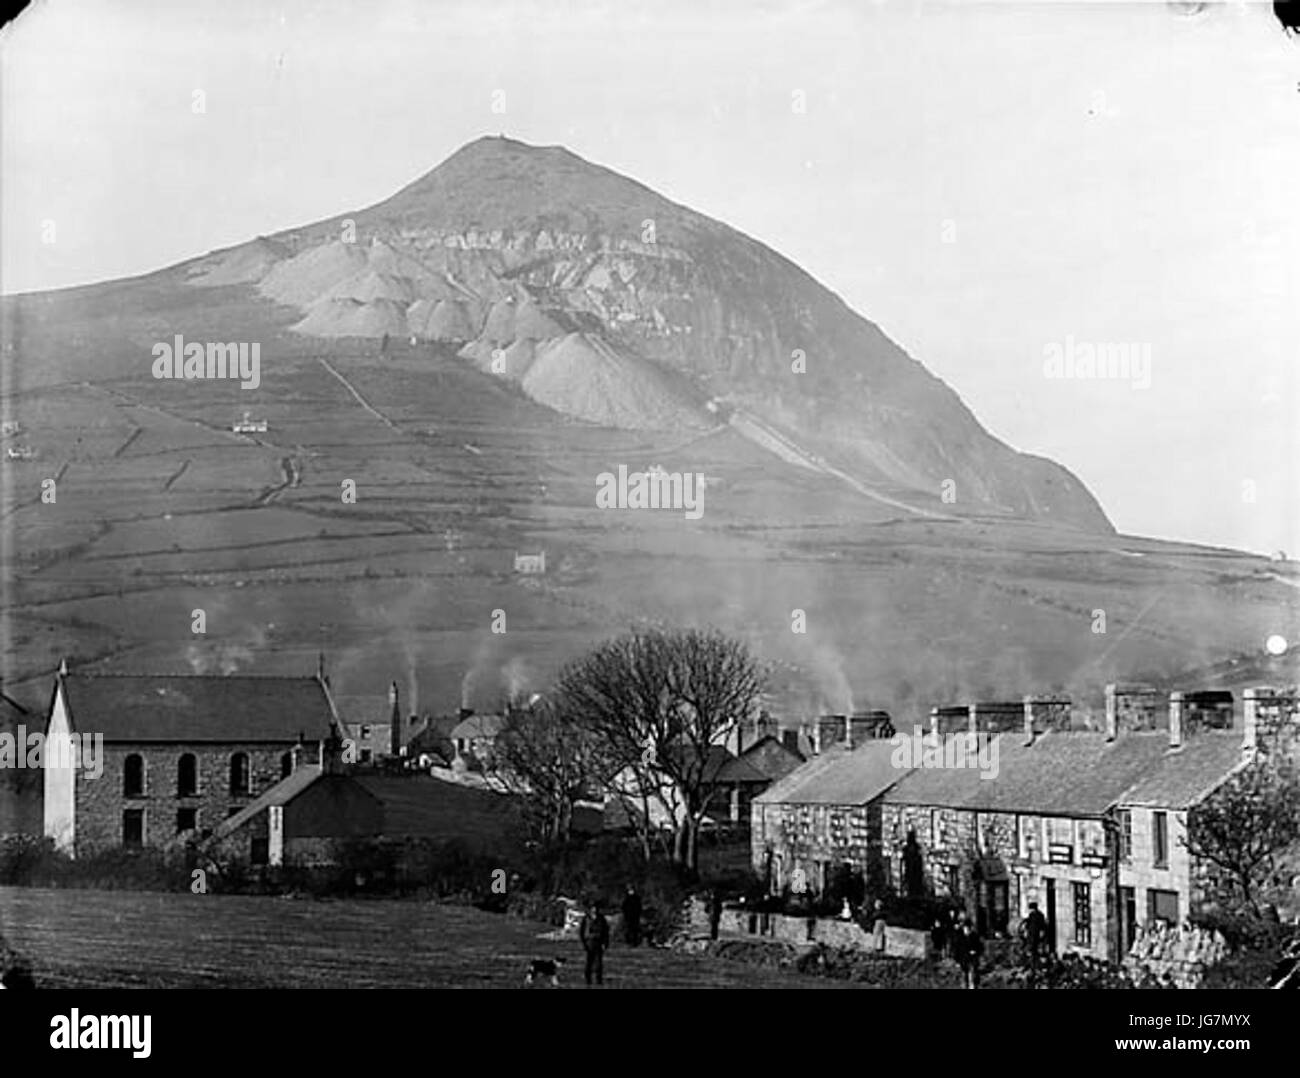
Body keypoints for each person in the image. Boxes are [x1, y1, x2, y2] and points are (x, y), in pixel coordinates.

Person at [579, 899, 610, 986]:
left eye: (596, 908)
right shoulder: (586, 918)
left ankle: (599, 981)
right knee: (589, 963)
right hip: (589, 942)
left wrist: (605, 943)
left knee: (599, 963)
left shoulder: (602, 919)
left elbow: (605, 931)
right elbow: (581, 931)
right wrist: (584, 943)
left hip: (599, 942)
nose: (594, 909)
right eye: (593, 908)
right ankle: (588, 980)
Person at [955, 914, 983, 989]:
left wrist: (975, 952)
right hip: (963, 960)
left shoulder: (974, 936)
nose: (967, 930)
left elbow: (980, 947)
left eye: (968, 928)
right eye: (965, 928)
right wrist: (957, 961)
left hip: (972, 959)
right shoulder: (960, 937)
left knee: (972, 977)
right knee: (964, 978)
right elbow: (957, 949)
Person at [1021, 901, 1047, 974]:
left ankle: (1035, 967)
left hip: (1036, 935)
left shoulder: (1039, 915)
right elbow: (1027, 924)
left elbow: (1042, 925)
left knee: (1034, 951)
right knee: (1030, 951)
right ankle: (1030, 966)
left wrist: (1041, 932)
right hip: (1031, 935)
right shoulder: (1031, 915)